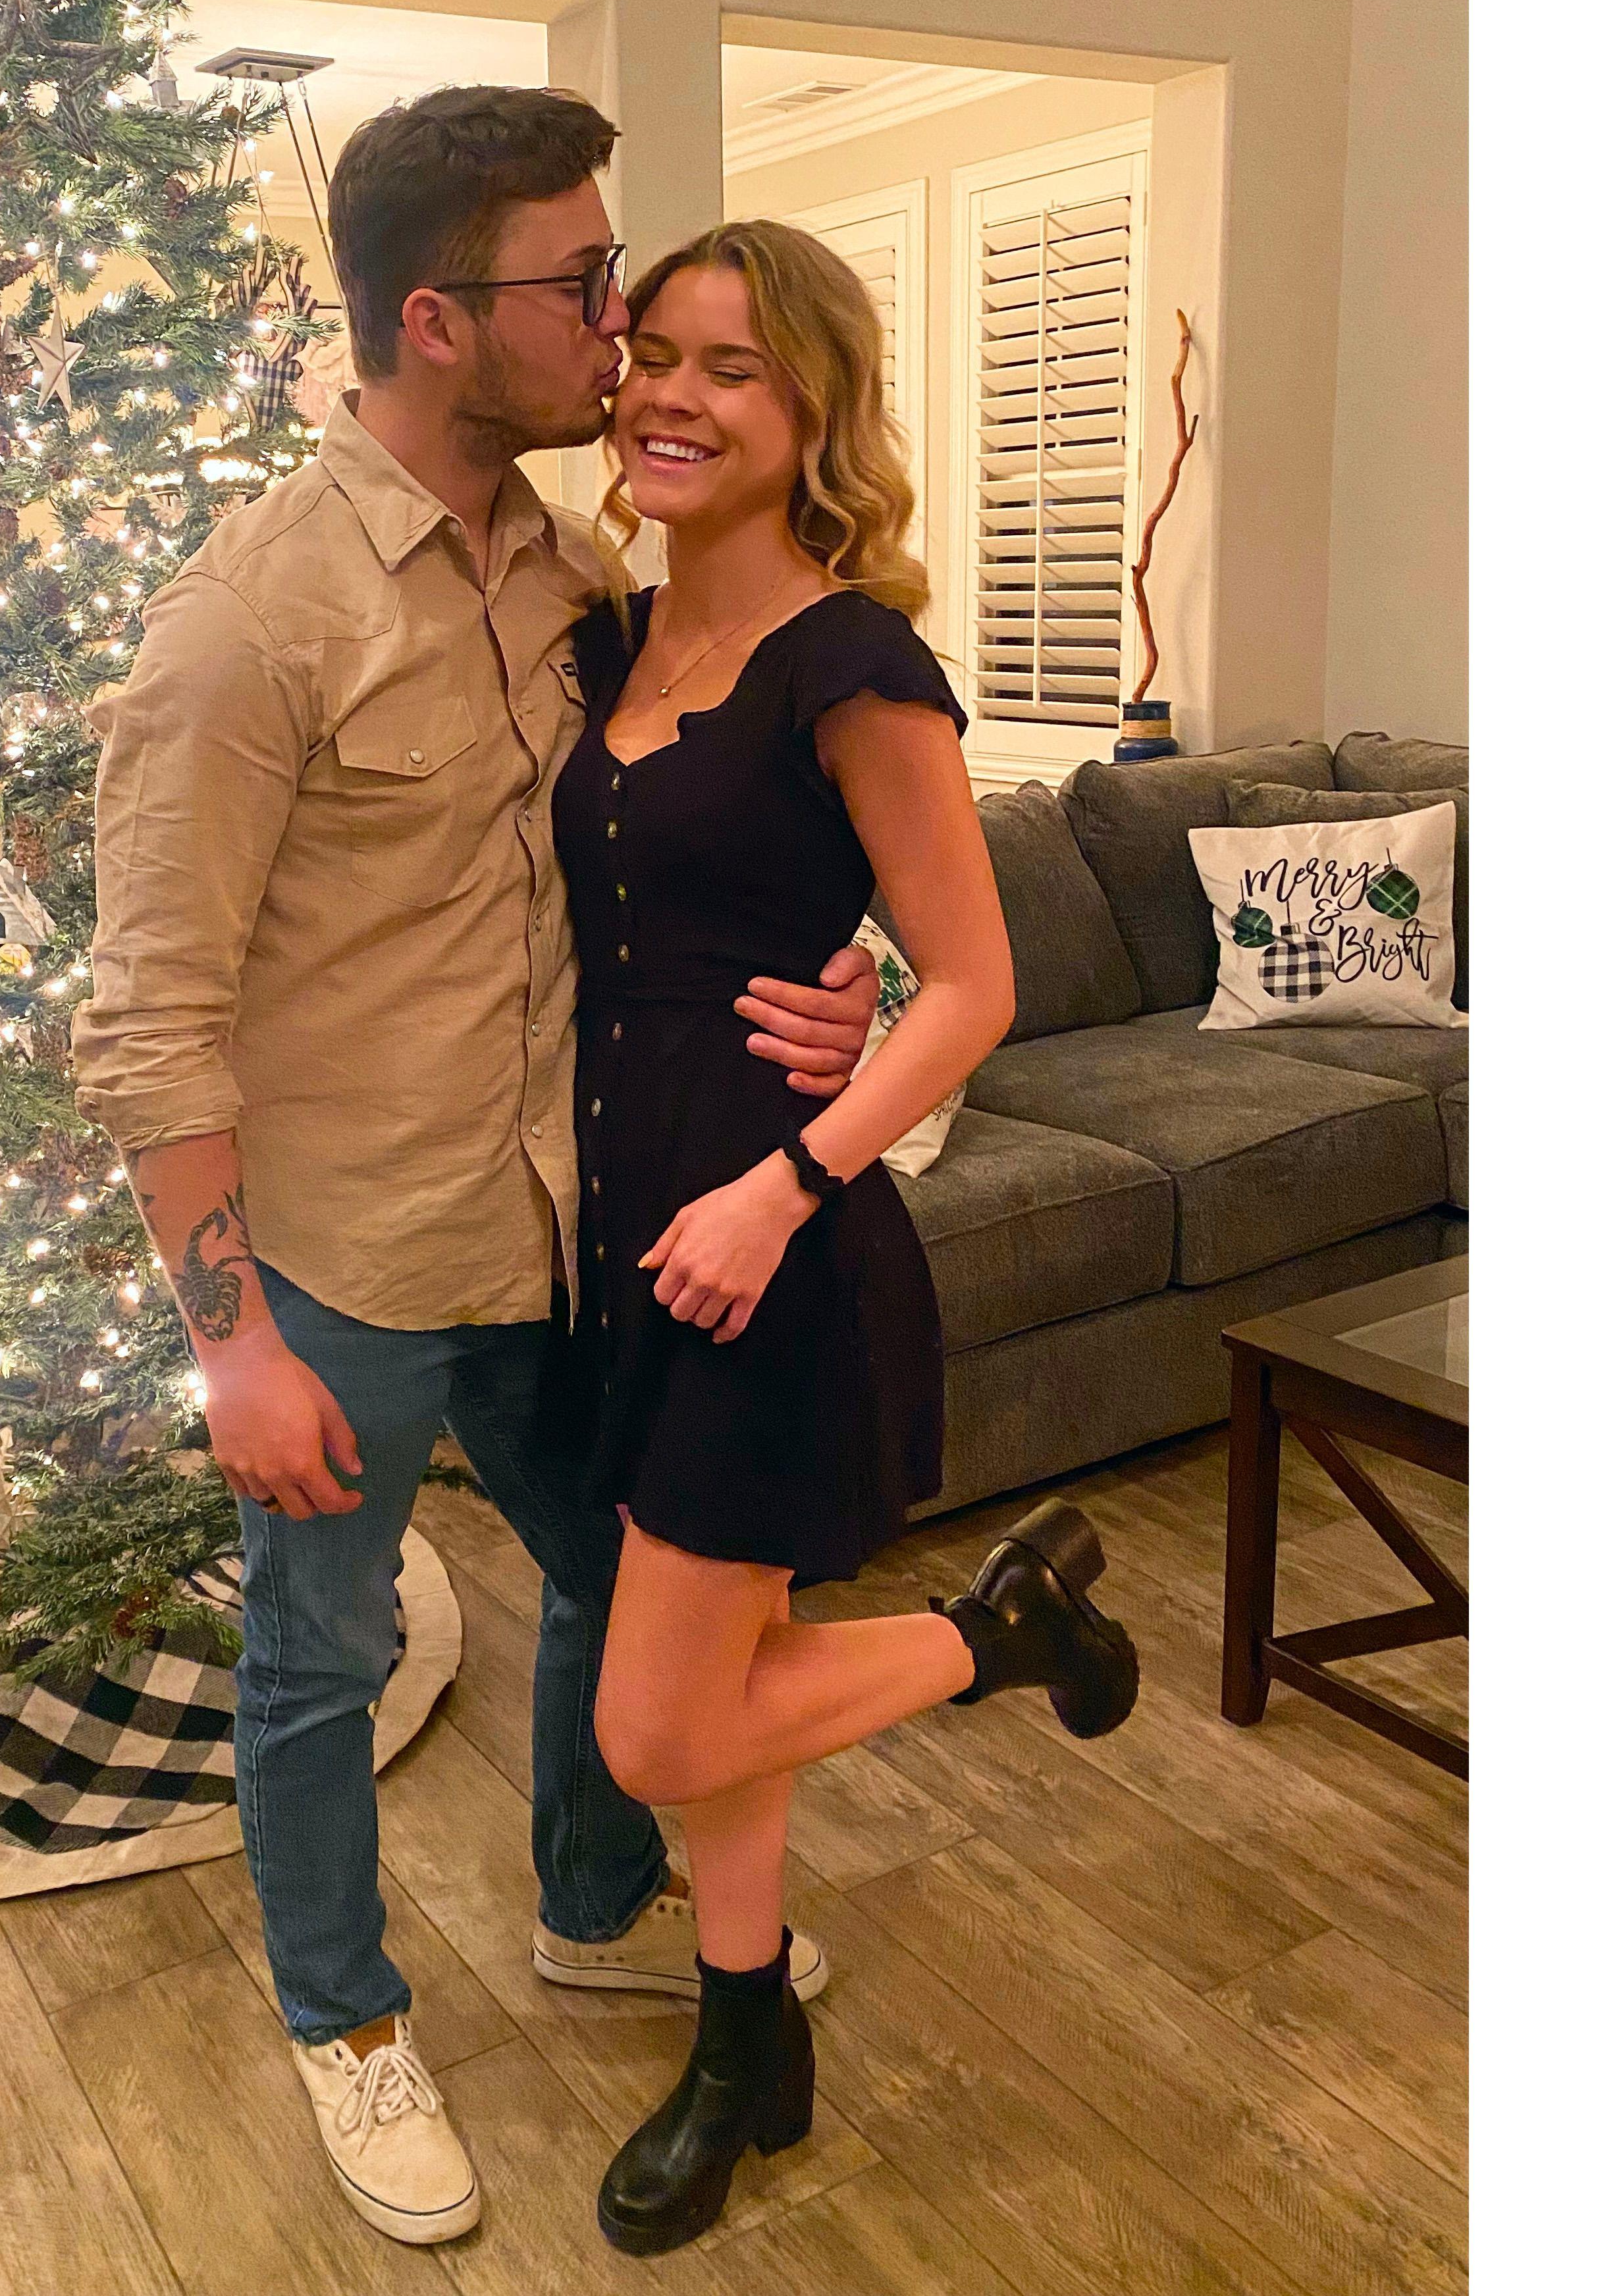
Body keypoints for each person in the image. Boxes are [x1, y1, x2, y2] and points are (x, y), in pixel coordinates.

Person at [72, 89, 880, 2247]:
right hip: (347, 1264)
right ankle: (344, 2019)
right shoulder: (248, 623)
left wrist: (849, 988)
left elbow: (705, 843)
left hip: (566, 1236)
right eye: (585, 285)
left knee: (620, 1584)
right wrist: (234, 1349)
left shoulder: (575, 574)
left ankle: (593, 1906)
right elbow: (147, 1017)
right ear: (438, 321)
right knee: (318, 1661)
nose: (621, 329)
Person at [555, 219, 1144, 2257]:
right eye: (655, 351)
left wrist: (789, 1178)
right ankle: (748, 2039)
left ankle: (1004, 1631)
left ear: (815, 414)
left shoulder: (858, 666)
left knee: (657, 1724)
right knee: (729, 1679)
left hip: (767, 1248)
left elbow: (973, 983)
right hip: (625, 1230)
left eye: (732, 367)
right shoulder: (610, 644)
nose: (674, 394)